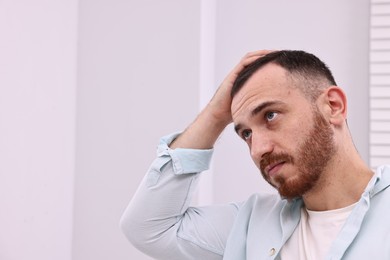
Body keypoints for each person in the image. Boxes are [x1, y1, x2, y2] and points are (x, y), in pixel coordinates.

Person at [120, 50, 390, 260]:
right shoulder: (251, 224)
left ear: (333, 106)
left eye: (270, 115)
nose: (258, 149)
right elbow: (147, 228)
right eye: (246, 134)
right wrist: (215, 115)